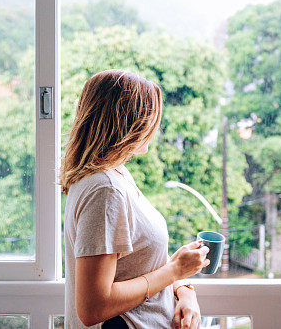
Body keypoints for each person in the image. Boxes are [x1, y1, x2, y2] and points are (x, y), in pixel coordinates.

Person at [60, 69, 209, 328]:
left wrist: (184, 289)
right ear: (130, 123)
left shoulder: (116, 175)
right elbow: (93, 307)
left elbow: (141, 268)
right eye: (150, 118)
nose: (155, 128)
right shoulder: (105, 191)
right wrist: (175, 270)